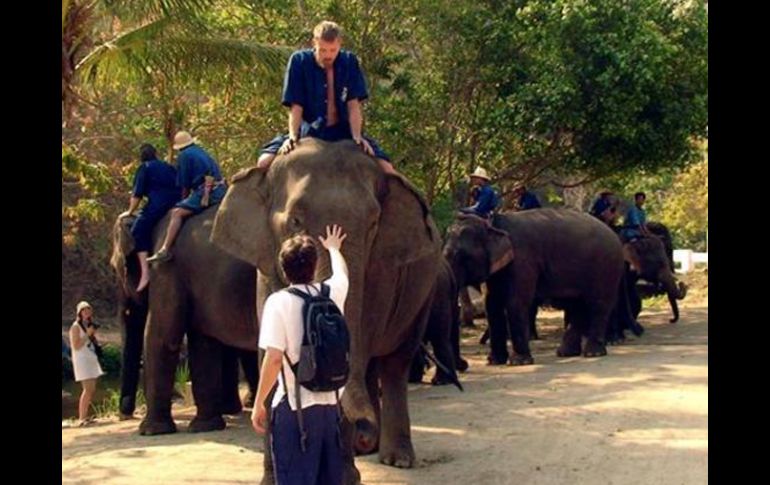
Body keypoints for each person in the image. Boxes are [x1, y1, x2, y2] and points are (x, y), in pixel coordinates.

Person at [251, 225, 349, 485]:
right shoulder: (332, 294)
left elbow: (273, 359)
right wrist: (334, 249)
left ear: (283, 270)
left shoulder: (278, 302)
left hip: (294, 410)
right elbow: (342, 275)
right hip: (331, 407)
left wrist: (259, 402)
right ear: (315, 266)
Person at [256, 20, 395, 175]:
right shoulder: (299, 61)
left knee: (387, 169)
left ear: (340, 45)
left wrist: (357, 136)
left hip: (344, 131)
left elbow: (353, 104)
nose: (328, 55)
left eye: (332, 50)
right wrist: (293, 137)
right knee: (263, 162)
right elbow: (296, 105)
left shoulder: (349, 62)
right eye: (322, 50)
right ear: (314, 43)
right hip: (308, 130)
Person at [147, 131, 226, 263]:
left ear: (179, 147)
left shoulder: (184, 156)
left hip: (206, 192)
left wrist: (183, 201)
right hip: (221, 190)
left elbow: (185, 185)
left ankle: (165, 249)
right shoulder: (201, 151)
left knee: (177, 214)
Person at [118, 143, 180, 290]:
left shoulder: (144, 168)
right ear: (155, 153)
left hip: (159, 204)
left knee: (138, 230)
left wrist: (130, 211)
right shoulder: (168, 166)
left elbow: (137, 194)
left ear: (142, 156)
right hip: (178, 203)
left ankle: (145, 272)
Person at [69, 301, 105, 427]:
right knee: (87, 389)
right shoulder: (75, 327)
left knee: (92, 389)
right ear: (79, 312)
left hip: (90, 358)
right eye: (84, 310)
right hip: (82, 360)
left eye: (88, 310)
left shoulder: (88, 325)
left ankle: (85, 416)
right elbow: (76, 345)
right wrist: (88, 335)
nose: (87, 312)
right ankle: (81, 418)